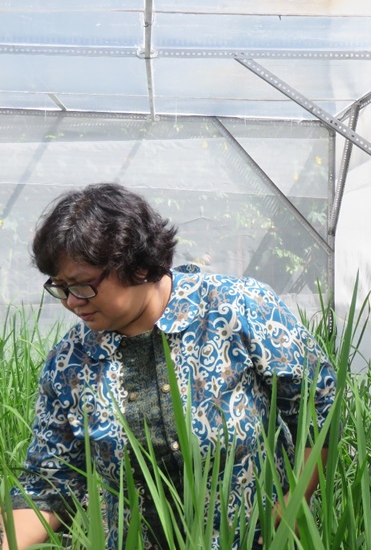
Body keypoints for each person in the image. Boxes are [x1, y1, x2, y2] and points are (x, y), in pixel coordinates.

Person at [0, 183, 336, 550]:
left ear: (139, 265)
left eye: (81, 285)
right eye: (60, 287)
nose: (71, 302)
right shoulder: (71, 362)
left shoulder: (236, 310)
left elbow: (317, 410)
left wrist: (289, 514)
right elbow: (50, 484)